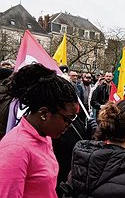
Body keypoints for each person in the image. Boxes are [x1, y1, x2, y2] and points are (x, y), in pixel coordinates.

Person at [0, 63, 79, 198]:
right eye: (68, 119)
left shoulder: (45, 136)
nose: (70, 125)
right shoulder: (16, 149)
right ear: (44, 113)